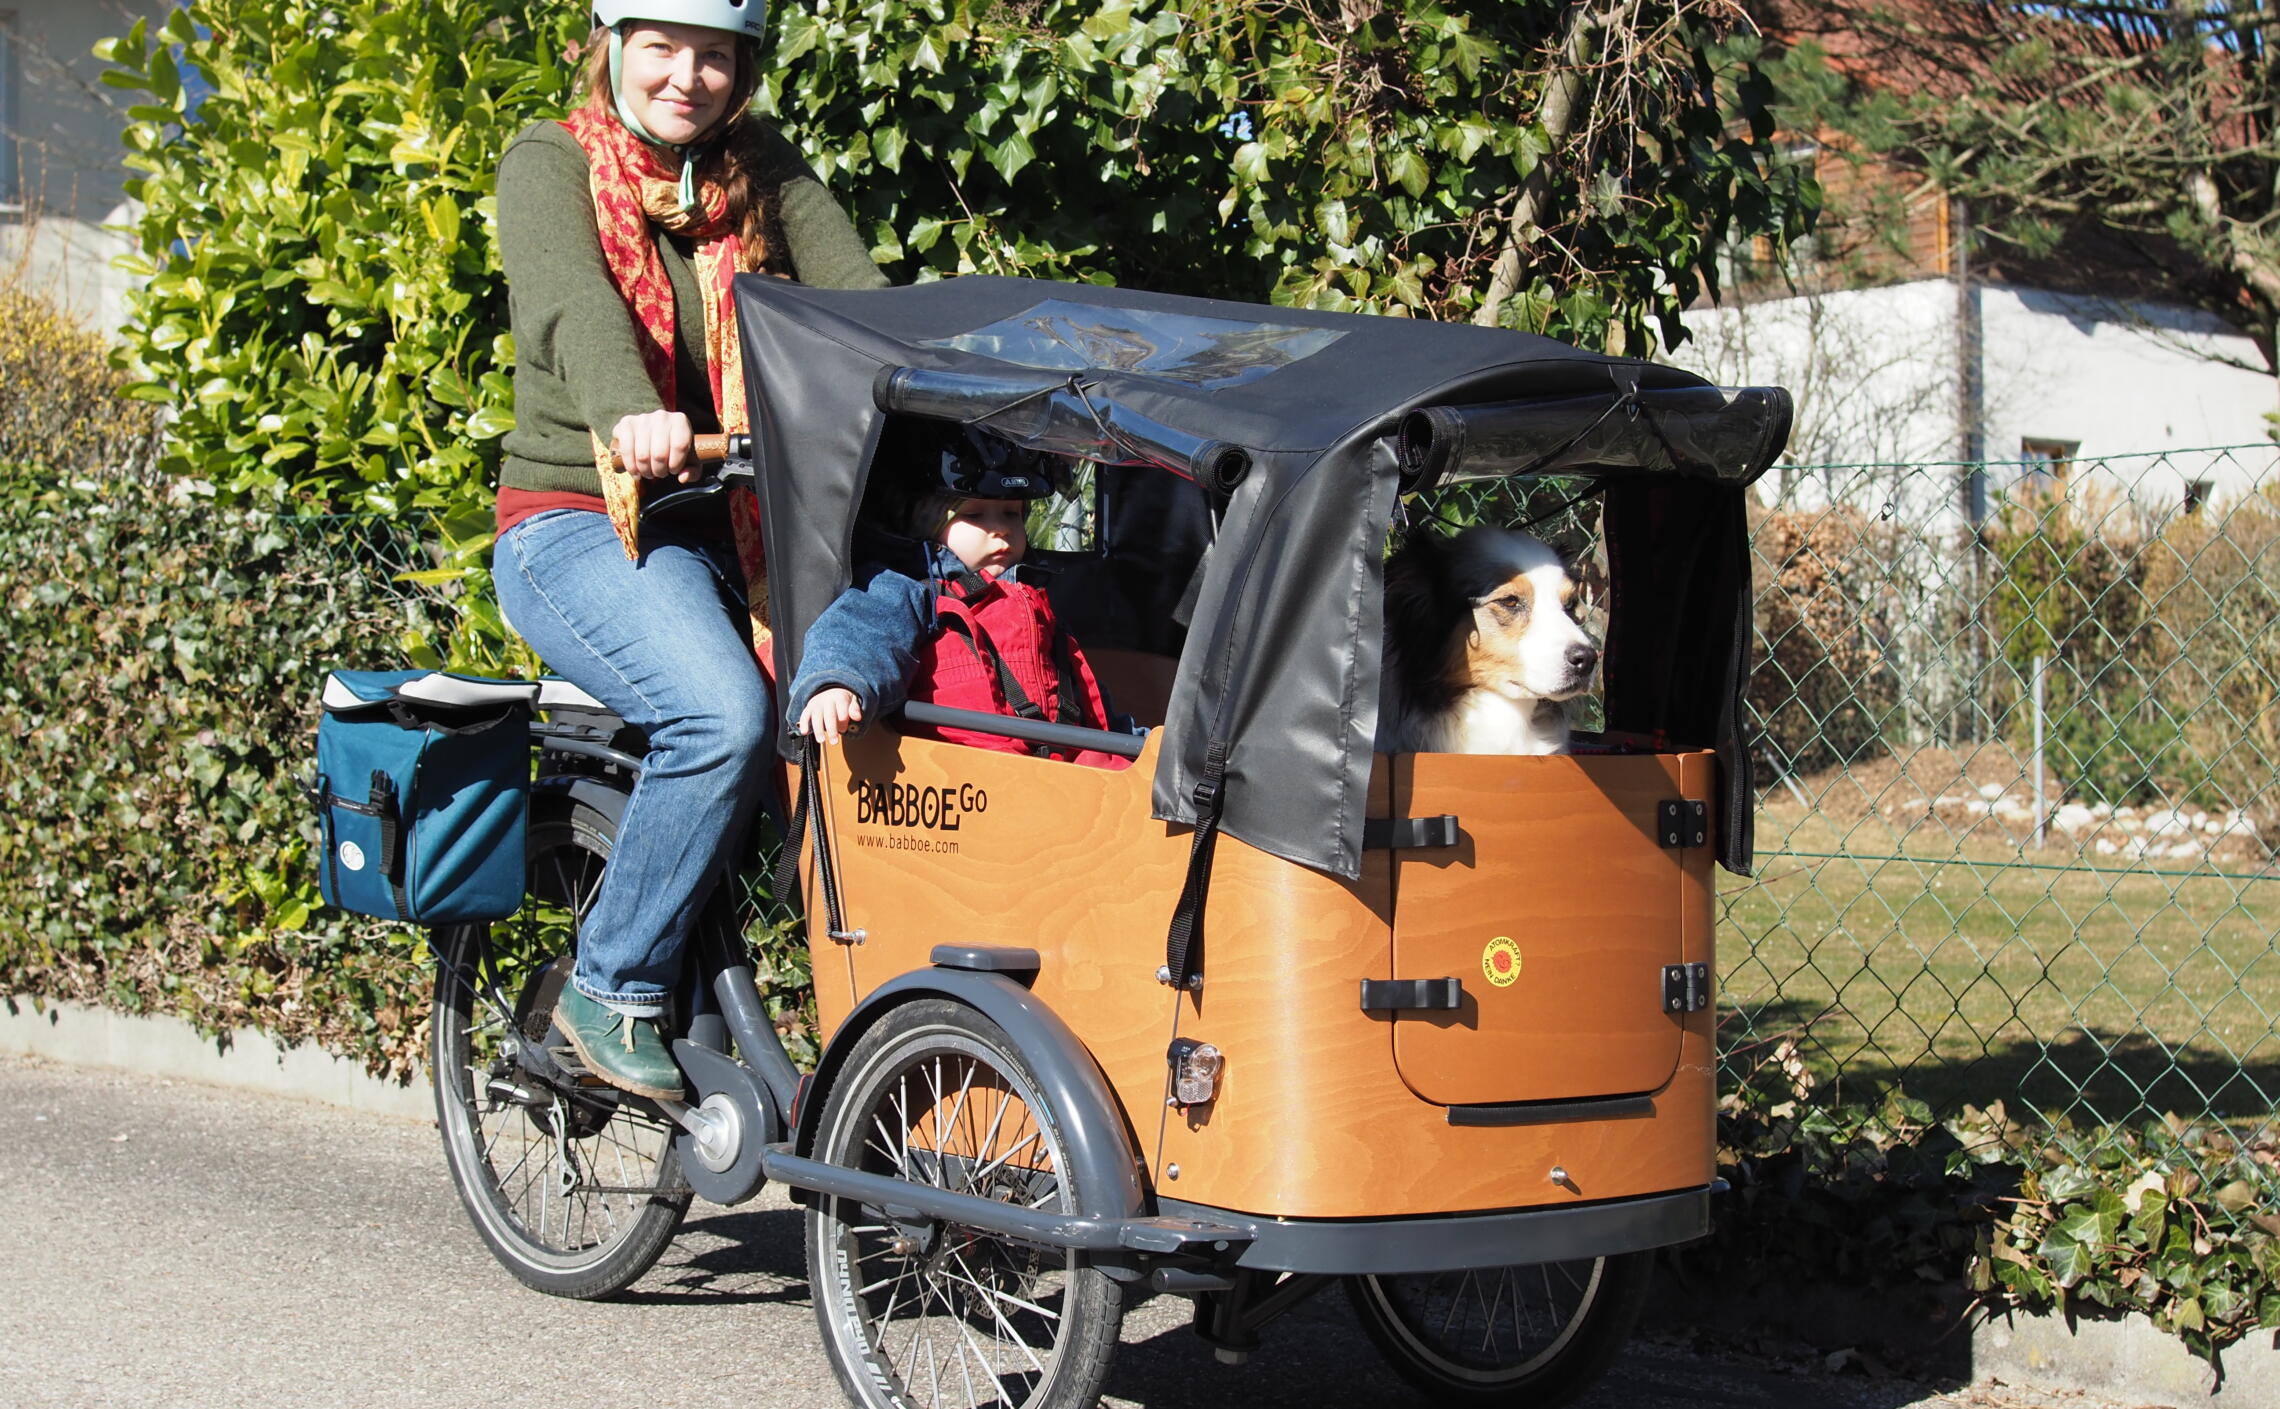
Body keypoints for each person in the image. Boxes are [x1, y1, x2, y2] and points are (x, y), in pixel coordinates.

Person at [491, 0, 888, 1101]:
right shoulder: (552, 161)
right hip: (579, 523)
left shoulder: (758, 165)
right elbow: (577, 311)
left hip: (743, 521)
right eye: (661, 47)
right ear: (613, 48)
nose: (687, 76)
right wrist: (632, 415)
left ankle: (863, 1040)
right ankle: (606, 983)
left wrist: (945, 386)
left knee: (876, 719)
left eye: (715, 55)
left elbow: (860, 304)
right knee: (722, 716)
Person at [788, 425, 1134, 771]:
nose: (1000, 529)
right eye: (974, 514)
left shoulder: (1035, 605)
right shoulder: (913, 590)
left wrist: (1139, 746)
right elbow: (861, 630)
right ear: (927, 522)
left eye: (1011, 513)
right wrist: (837, 684)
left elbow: (1086, 699)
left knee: (1134, 773)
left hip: (1053, 774)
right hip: (961, 777)